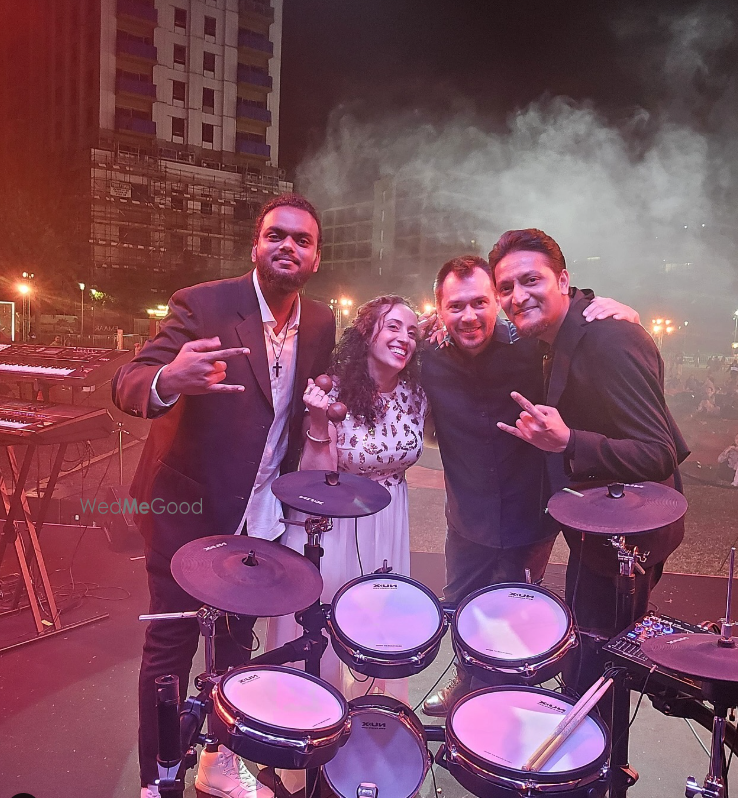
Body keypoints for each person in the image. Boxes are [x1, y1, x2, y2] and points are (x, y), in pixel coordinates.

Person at [112, 193, 335, 798]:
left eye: (302, 240)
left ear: (316, 258)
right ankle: (157, 780)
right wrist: (169, 379)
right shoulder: (203, 304)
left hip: (260, 517)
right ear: (256, 246)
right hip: (186, 513)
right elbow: (129, 381)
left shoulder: (319, 322)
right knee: (170, 650)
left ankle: (218, 761)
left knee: (237, 651)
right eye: (276, 235)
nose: (288, 246)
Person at [418, 255, 639, 716]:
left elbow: (578, 330)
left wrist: (622, 317)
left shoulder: (534, 346)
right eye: (455, 306)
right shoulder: (429, 356)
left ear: (496, 302)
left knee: (514, 615)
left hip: (530, 513)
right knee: (462, 608)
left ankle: (500, 706)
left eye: (479, 302)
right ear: (438, 309)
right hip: (467, 513)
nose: (469, 316)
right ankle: (466, 682)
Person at [490, 228, 689, 694]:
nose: (518, 296)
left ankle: (596, 743)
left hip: (626, 538)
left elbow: (658, 451)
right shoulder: (556, 334)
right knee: (586, 664)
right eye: (506, 287)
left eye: (531, 280)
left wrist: (569, 441)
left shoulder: (610, 339)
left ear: (563, 281)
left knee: (599, 678)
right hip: (593, 529)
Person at [264, 295, 427, 795]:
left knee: (379, 632)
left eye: (412, 331)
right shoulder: (331, 390)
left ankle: (371, 749)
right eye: (392, 327)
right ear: (366, 333)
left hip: (387, 522)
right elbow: (315, 479)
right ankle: (309, 750)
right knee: (326, 634)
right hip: (333, 524)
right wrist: (318, 422)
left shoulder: (417, 393)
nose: (404, 338)